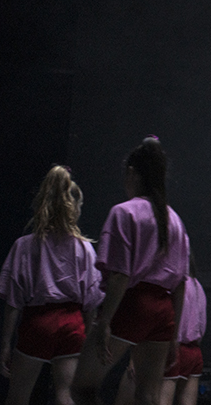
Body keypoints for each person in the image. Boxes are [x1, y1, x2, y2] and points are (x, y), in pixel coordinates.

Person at [71, 136, 190, 405]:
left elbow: (120, 275)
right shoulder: (175, 220)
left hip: (130, 305)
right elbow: (181, 284)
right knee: (148, 396)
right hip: (164, 311)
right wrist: (174, 335)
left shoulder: (124, 213)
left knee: (82, 389)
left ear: (132, 173)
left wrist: (104, 322)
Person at [0, 165, 104, 405]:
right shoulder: (84, 248)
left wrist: (5, 343)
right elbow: (91, 302)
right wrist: (86, 340)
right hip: (72, 324)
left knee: (17, 397)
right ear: (73, 207)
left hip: (37, 323)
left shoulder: (24, 246)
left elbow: (13, 301)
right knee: (66, 395)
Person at [114, 253, 207, 405]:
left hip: (167, 349)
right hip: (194, 354)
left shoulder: (171, 285)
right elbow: (201, 324)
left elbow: (155, 321)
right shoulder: (198, 287)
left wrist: (134, 358)